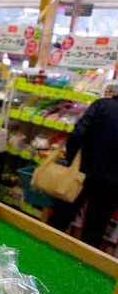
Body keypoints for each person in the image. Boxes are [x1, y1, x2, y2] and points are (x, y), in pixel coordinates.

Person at [48, 95, 118, 249]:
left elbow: (78, 134)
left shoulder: (102, 105)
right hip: (112, 183)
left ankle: (43, 248)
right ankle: (84, 262)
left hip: (83, 172)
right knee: (95, 227)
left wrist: (72, 159)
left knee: (60, 218)